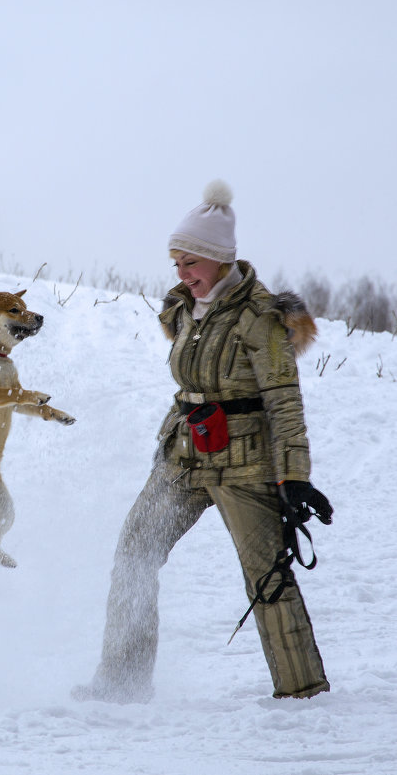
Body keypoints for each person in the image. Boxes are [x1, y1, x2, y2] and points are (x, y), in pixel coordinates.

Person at [73, 180, 332, 703]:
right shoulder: (188, 312)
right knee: (134, 552)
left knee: (267, 576)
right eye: (176, 263)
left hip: (244, 464)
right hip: (184, 455)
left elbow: (284, 402)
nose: (182, 274)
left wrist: (295, 476)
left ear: (219, 259)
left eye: (190, 262)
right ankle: (122, 681)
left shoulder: (260, 316)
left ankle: (302, 692)